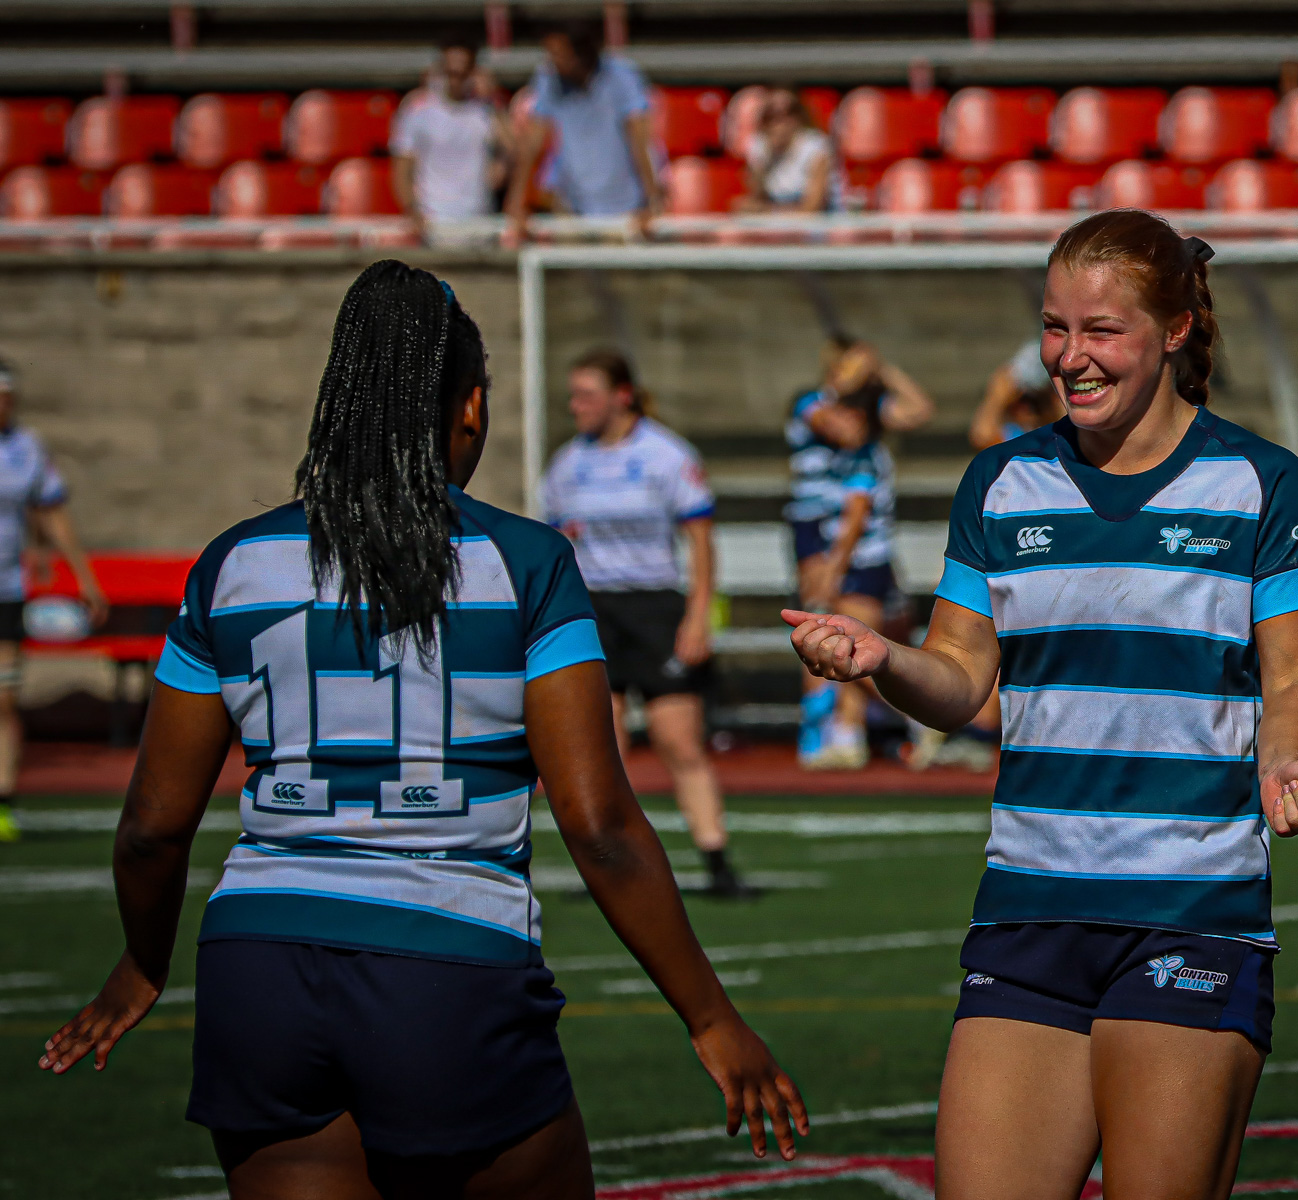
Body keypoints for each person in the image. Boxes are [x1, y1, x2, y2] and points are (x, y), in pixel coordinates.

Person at [37, 263, 806, 1193]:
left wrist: (140, 964)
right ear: (470, 406)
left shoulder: (232, 563)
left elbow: (153, 826)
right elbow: (600, 827)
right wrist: (713, 1019)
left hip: (259, 965)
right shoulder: (526, 564)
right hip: (449, 961)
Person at [784, 209, 1298, 1197]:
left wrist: (1289, 759)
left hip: (1190, 913)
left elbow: (1297, 676)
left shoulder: (1263, 483)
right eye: (1054, 328)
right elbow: (959, 681)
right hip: (1027, 911)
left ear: (1174, 330)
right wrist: (883, 659)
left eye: (1100, 331)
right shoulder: (1002, 483)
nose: (1068, 358)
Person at [540, 349, 753, 900]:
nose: (575, 405)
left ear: (622, 395)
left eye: (586, 393)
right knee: (602, 747)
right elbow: (555, 543)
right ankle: (614, 863)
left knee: (678, 741)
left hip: (655, 608)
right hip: (592, 609)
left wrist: (698, 617)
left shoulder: (664, 453)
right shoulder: (568, 463)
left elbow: (701, 542)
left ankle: (716, 861)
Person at [912, 339, 1066, 773]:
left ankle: (985, 735)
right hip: (1014, 549)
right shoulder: (1013, 445)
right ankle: (976, 733)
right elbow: (982, 433)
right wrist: (1001, 390)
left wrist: (1010, 389)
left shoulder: (1061, 437)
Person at [785, 338, 934, 769]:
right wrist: (850, 387)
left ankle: (865, 729)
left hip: (860, 550)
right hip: (816, 530)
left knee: (853, 637)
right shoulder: (812, 402)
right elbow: (843, 427)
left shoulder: (868, 449)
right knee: (821, 625)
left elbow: (919, 410)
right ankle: (833, 729)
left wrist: (882, 371)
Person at [0, 358, 106, 844]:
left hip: (6, 590)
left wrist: (81, 576)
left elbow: (49, 512)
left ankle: (3, 802)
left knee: (3, 698)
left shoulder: (26, 447)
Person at [506, 22, 661, 244]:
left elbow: (639, 139)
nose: (551, 61)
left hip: (625, 208)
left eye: (558, 54)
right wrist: (516, 201)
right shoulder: (548, 77)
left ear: (580, 54)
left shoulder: (622, 76)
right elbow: (533, 141)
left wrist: (651, 200)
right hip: (572, 208)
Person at [390, 33, 511, 238]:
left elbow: (514, 150)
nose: (455, 80)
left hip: (479, 220)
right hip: (434, 223)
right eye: (450, 72)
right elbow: (402, 169)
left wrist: (493, 98)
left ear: (474, 72)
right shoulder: (418, 111)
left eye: (462, 73)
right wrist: (413, 211)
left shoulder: (485, 111)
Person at [733, 86, 838, 213]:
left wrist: (768, 212)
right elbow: (756, 197)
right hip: (779, 221)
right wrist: (764, 159)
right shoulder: (759, 145)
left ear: (797, 117)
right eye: (769, 115)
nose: (775, 123)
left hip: (818, 225)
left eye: (783, 114)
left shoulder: (816, 147)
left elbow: (812, 209)